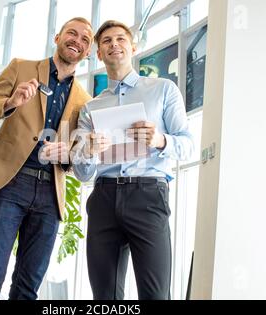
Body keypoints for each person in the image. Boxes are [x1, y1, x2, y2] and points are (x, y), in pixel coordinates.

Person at [0, 17, 93, 300]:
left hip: (50, 194)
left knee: (27, 290)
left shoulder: (85, 100)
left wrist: (70, 154)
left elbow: (79, 156)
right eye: (72, 33)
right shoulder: (21, 67)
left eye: (85, 40)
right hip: (10, 184)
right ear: (57, 37)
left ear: (88, 53)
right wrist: (9, 104)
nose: (77, 40)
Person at [72, 20, 194, 300]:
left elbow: (188, 146)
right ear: (99, 54)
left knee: (155, 294)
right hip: (104, 197)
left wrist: (159, 140)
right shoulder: (91, 108)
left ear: (133, 47)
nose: (114, 44)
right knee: (105, 297)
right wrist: (88, 150)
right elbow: (81, 172)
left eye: (120, 39)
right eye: (106, 41)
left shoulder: (163, 89)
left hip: (148, 196)